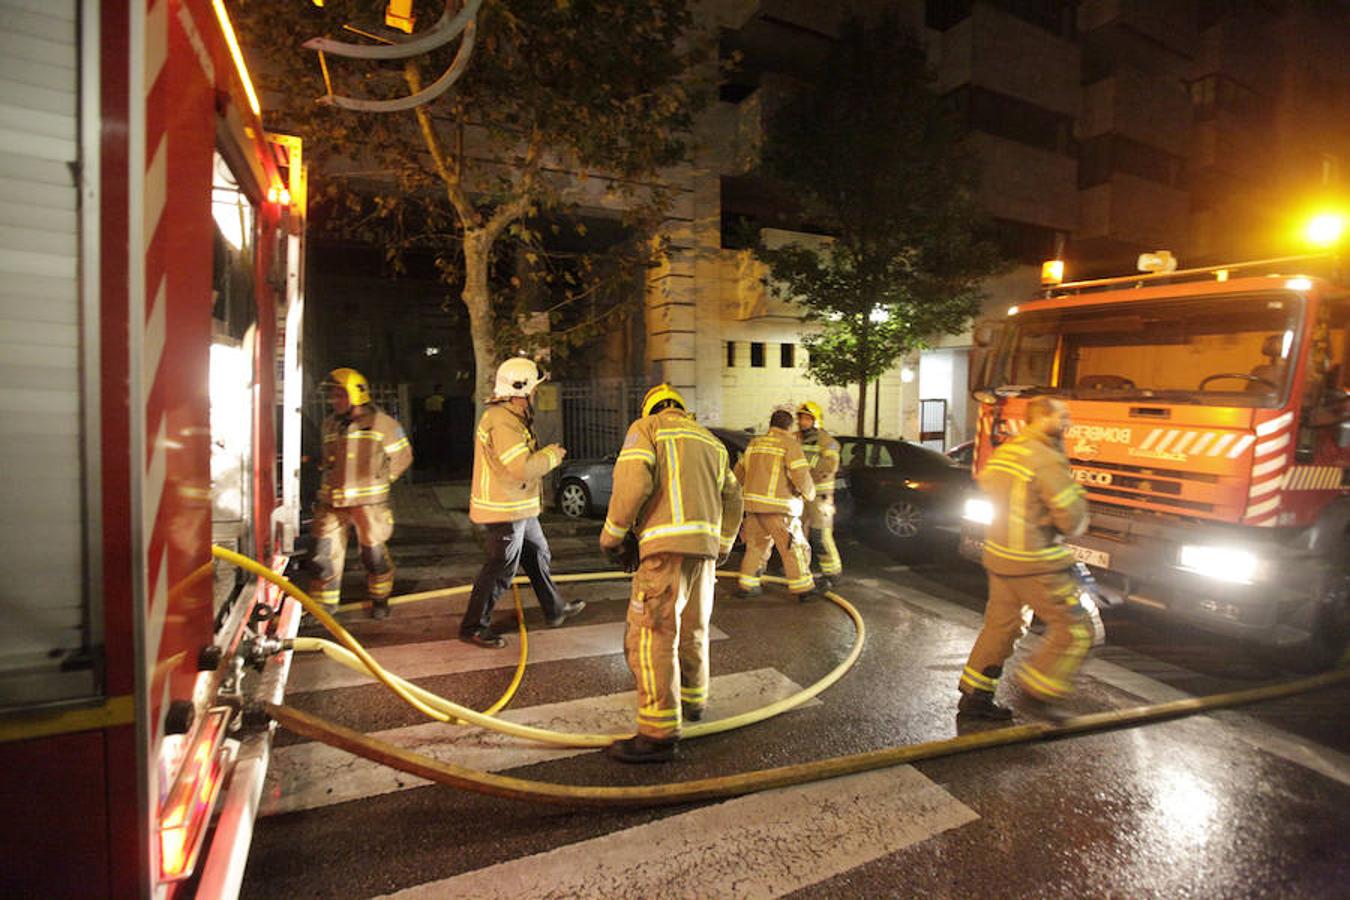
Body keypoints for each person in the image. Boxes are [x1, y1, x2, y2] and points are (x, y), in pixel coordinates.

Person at [599, 384, 743, 763]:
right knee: (694, 628)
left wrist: (613, 535)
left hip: (664, 551)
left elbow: (634, 482)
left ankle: (657, 733)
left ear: (651, 409)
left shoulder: (647, 429)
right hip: (705, 554)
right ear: (682, 408)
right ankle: (694, 702)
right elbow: (734, 498)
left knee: (653, 635)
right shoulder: (711, 441)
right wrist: (724, 544)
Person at [957, 395, 1093, 720]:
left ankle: (975, 696)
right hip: (1035, 561)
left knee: (1001, 627)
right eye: (1062, 416)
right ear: (1042, 417)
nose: (1067, 423)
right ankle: (1038, 690)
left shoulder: (1007, 451)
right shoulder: (1046, 458)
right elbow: (1072, 520)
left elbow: (990, 485)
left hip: (999, 556)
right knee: (1078, 628)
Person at [461, 357, 584, 648]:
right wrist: (552, 456)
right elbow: (521, 467)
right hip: (505, 508)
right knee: (501, 567)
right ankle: (473, 627)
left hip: (519, 505)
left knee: (537, 554)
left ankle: (554, 610)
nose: (537, 393)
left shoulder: (511, 417)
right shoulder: (502, 421)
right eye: (534, 389)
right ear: (522, 390)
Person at [310, 367, 413, 619]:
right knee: (323, 556)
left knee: (373, 556)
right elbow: (329, 459)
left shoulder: (385, 425)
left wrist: (383, 479)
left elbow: (403, 457)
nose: (334, 401)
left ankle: (380, 599)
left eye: (339, 395)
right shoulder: (330, 424)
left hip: (370, 505)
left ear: (356, 395)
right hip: (333, 501)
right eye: (333, 396)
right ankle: (323, 608)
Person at [735, 408, 819, 601]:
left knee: (755, 547)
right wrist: (809, 494)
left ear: (771, 424)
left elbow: (739, 472)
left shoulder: (754, 444)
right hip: (780, 509)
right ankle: (804, 588)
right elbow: (801, 475)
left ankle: (747, 585)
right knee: (793, 547)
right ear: (789, 426)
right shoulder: (789, 444)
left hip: (753, 508)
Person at [796, 401, 843, 588]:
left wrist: (806, 459)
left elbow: (830, 465)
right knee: (798, 534)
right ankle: (800, 569)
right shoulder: (796, 438)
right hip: (801, 494)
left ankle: (832, 573)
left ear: (816, 420)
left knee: (820, 535)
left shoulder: (827, 442)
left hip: (820, 497)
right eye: (800, 418)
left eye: (807, 418)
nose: (802, 422)